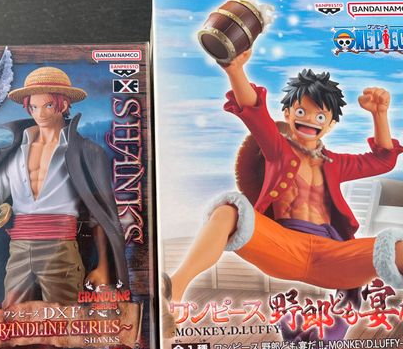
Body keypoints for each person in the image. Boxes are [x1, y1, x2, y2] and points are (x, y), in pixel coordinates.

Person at [163, 50, 403, 327]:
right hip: (281, 245)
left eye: (320, 116)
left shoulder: (337, 163)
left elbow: (382, 160)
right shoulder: (278, 150)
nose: (309, 120)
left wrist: (380, 114)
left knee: (396, 247)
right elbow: (254, 112)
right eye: (301, 111)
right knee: (228, 211)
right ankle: (174, 292)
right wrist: (234, 69)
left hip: (332, 255)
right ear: (288, 114)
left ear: (331, 124)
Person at [0, 66, 128, 349]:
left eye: (48, 105)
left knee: (64, 331)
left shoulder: (86, 152)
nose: (40, 113)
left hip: (61, 248)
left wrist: (102, 265)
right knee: (14, 328)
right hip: (19, 249)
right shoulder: (13, 154)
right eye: (34, 106)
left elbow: (99, 214)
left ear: (63, 104)